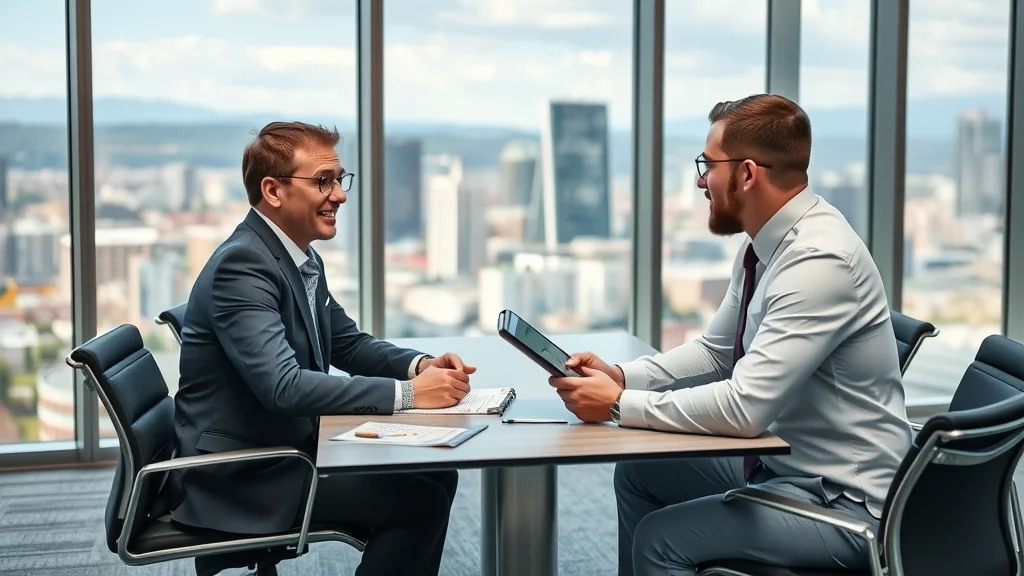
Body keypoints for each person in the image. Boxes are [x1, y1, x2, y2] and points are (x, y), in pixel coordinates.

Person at [549, 94, 912, 575]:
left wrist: (617, 405)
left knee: (662, 540)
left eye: (707, 165)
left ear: (746, 173)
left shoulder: (818, 262)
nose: (701, 180)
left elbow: (744, 409)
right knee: (641, 470)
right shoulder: (767, 244)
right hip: (786, 468)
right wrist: (621, 376)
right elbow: (716, 353)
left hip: (847, 505)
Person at [164, 121, 475, 576]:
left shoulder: (297, 256)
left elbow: (347, 344)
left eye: (339, 179)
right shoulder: (243, 265)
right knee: (418, 503)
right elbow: (284, 389)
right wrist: (409, 397)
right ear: (273, 191)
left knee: (435, 473)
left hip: (281, 450)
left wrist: (419, 366)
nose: (341, 195)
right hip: (242, 476)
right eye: (323, 181)